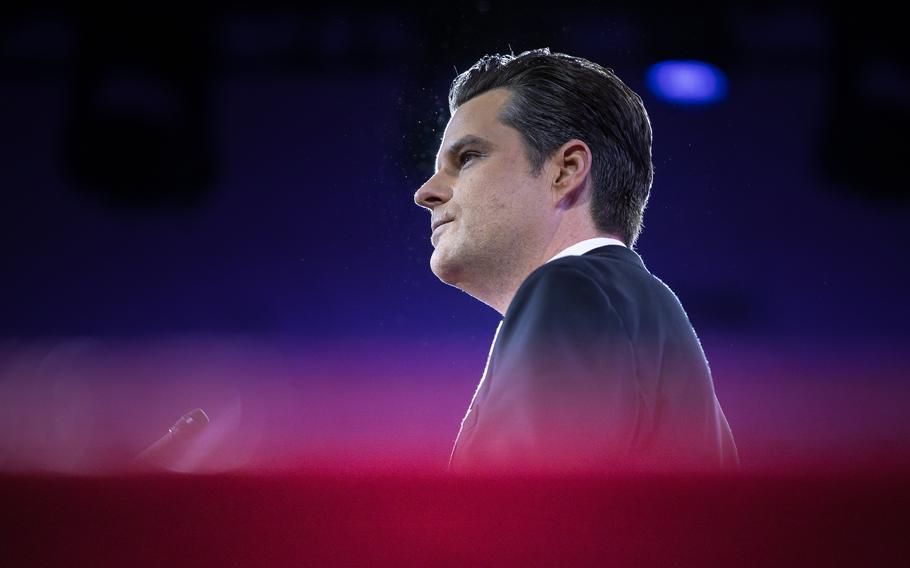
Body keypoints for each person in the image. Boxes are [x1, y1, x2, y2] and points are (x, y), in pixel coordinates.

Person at [413, 48, 738, 475]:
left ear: (565, 170)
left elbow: (520, 525)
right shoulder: (633, 308)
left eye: (467, 157)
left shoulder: (571, 290)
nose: (426, 192)